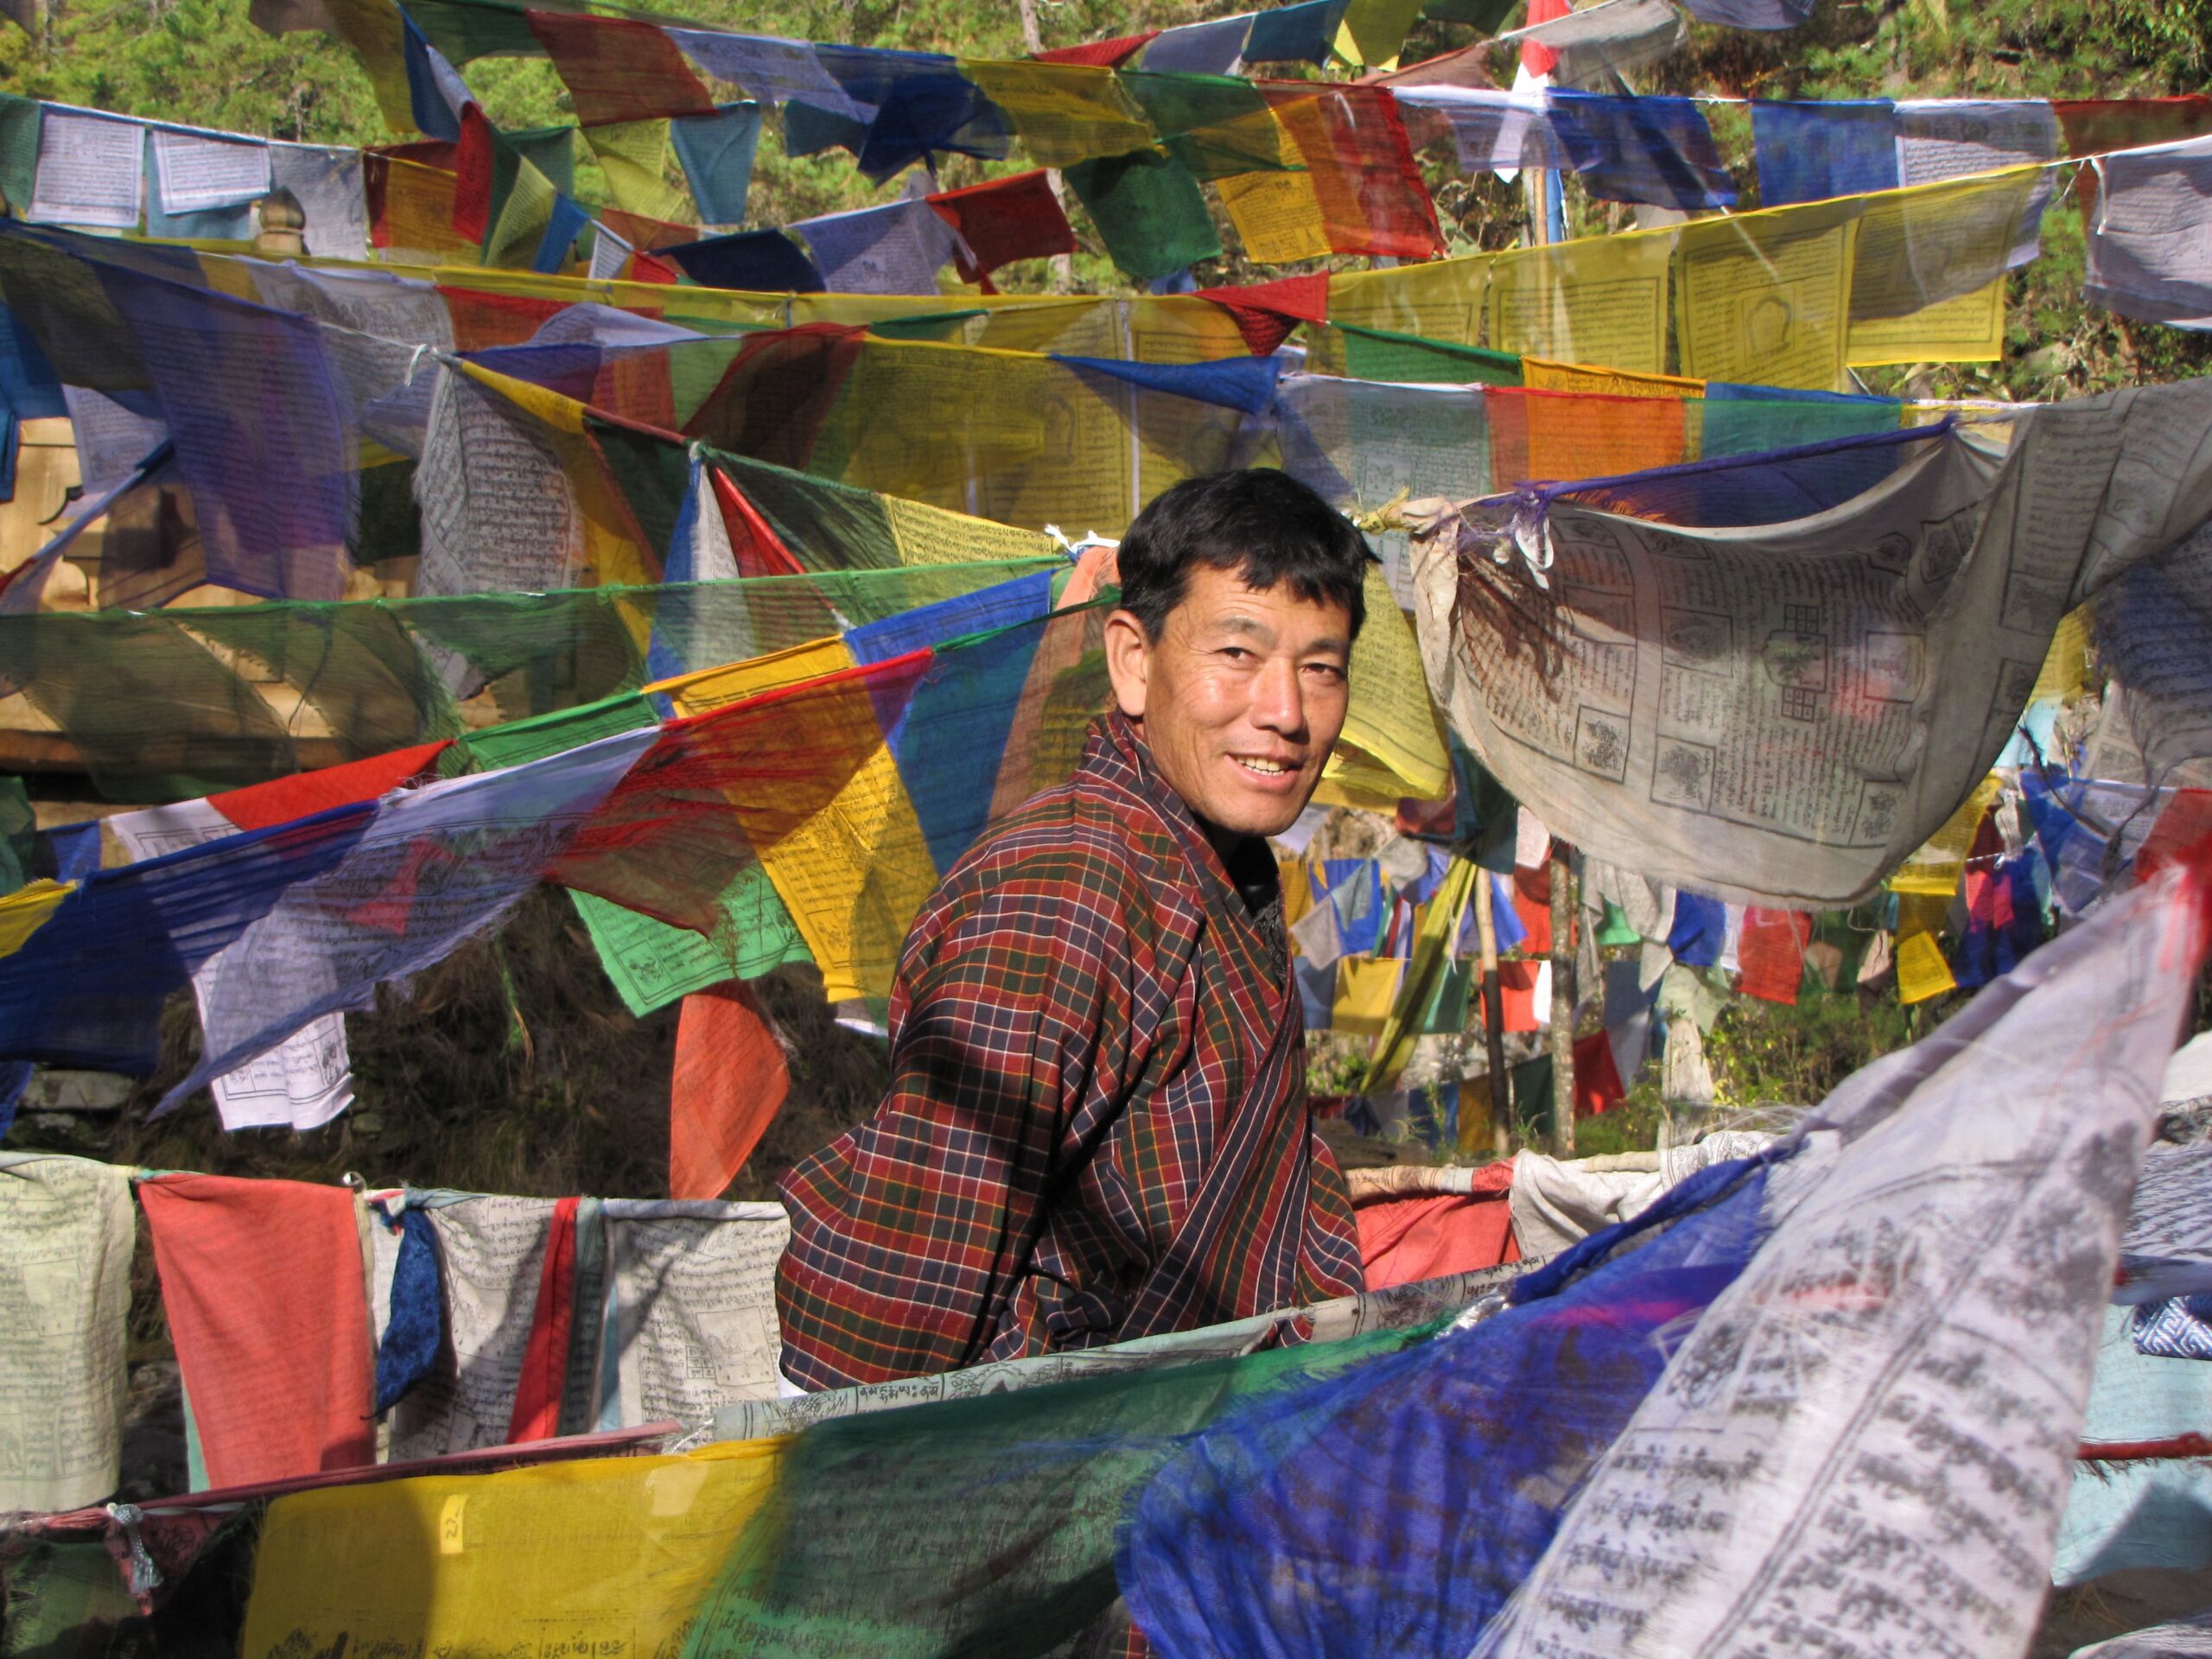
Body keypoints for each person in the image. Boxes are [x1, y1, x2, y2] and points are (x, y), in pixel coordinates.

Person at [775, 468, 1372, 1390]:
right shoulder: (1069, 887)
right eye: (1237, 655)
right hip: (1023, 1481)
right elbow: (878, 1325)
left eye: (1320, 668)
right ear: (1132, 660)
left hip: (1178, 1459)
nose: (1286, 713)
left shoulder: (1223, 873)